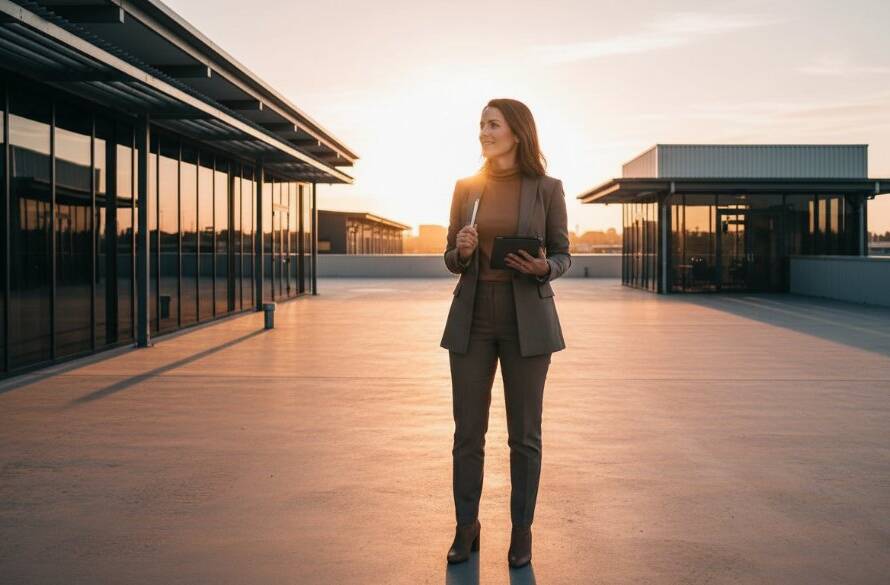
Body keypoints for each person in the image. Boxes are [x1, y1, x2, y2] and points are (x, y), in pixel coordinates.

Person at [440, 98, 571, 568]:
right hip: (472, 319)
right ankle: (466, 526)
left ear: (517, 132)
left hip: (527, 324)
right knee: (467, 434)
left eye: (493, 124)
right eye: (481, 124)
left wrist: (543, 268)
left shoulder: (547, 189)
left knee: (525, 436)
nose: (484, 132)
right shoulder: (466, 187)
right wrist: (461, 251)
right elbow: (450, 258)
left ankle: (522, 531)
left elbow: (563, 253)